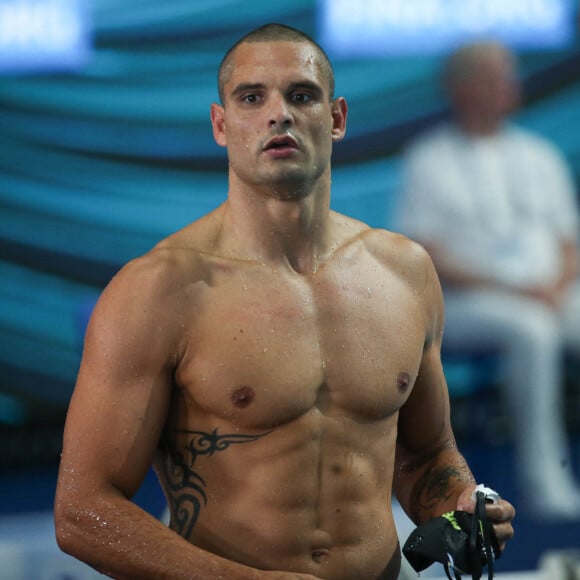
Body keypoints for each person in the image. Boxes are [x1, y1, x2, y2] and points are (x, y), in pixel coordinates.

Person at [54, 24, 515, 579]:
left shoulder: (405, 272)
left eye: (301, 95)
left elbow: (426, 456)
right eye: (253, 97)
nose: (279, 114)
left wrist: (463, 504)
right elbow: (82, 511)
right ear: (222, 125)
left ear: (337, 118)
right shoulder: (158, 291)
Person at [397, 39, 580, 520]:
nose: (510, 85)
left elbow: (569, 243)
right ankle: (546, 481)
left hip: (550, 290)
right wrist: (518, 290)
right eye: (498, 75)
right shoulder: (429, 159)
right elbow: (426, 255)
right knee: (532, 330)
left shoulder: (539, 155)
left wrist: (556, 287)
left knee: (559, 318)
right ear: (464, 87)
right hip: (469, 300)